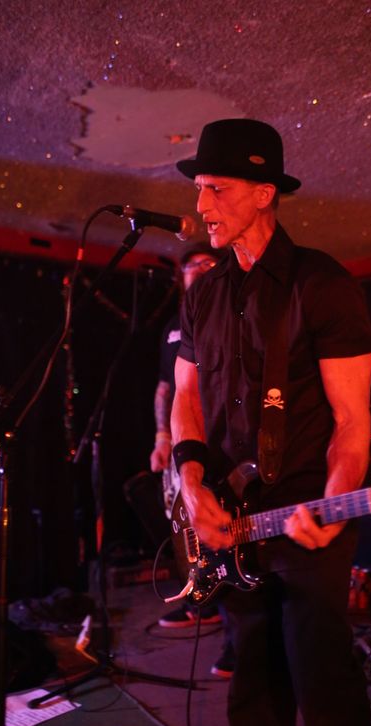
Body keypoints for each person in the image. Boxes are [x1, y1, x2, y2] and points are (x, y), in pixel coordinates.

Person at [171, 118, 371, 726]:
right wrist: (190, 481)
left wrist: (331, 510)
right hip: (233, 517)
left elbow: (352, 425)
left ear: (265, 193)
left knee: (321, 679)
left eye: (217, 188)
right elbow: (187, 398)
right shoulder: (205, 293)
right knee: (253, 673)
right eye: (199, 187)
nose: (202, 203)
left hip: (307, 509)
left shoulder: (321, 285)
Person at [150, 242, 235, 679]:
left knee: (231, 528)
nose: (198, 270)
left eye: (207, 263)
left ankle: (236, 635)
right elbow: (168, 387)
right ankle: (199, 597)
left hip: (225, 440)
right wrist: (162, 438)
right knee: (185, 524)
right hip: (185, 442)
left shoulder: (233, 313)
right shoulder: (173, 327)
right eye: (190, 266)